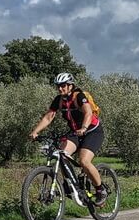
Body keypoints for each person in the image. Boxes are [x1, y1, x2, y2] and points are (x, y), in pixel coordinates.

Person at [29, 72, 108, 205]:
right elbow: (49, 117)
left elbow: (88, 113)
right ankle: (71, 184)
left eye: (63, 85)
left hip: (92, 131)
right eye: (58, 86)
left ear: (70, 85)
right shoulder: (58, 100)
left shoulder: (79, 96)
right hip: (76, 132)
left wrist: (83, 127)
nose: (60, 89)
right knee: (62, 155)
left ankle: (101, 190)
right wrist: (35, 132)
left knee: (84, 161)